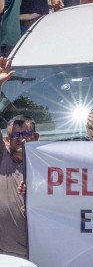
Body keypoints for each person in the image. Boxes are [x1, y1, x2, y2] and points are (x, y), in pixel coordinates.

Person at [0, 58, 33, 259]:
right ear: (7, 139)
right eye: (15, 135)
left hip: (38, 256)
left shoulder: (49, 164)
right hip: (4, 256)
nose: (20, 140)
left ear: (35, 138)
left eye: (25, 135)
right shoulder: (2, 161)